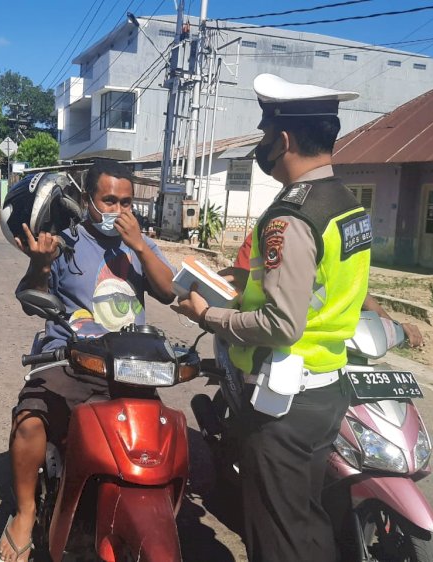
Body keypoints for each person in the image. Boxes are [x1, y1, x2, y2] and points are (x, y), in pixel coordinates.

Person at [173, 73, 371, 562]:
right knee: (305, 520)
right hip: (327, 389)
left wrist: (210, 314)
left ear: (283, 139)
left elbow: (283, 324)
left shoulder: (291, 217)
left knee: (277, 538)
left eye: (264, 136)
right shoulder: (348, 206)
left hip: (283, 401)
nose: (262, 145)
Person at [0, 159, 175, 562]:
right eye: (108, 200)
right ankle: (25, 513)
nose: (117, 210)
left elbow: (168, 293)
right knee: (30, 422)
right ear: (88, 200)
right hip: (72, 359)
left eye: (125, 202)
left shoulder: (140, 246)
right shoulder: (64, 239)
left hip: (129, 365)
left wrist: (141, 246)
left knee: (157, 448)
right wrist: (41, 262)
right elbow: (31, 296)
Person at [229, 233, 424, 347]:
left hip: (331, 353)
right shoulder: (267, 233)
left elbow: (353, 288)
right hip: (270, 347)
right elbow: (241, 282)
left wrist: (392, 326)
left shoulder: (331, 234)